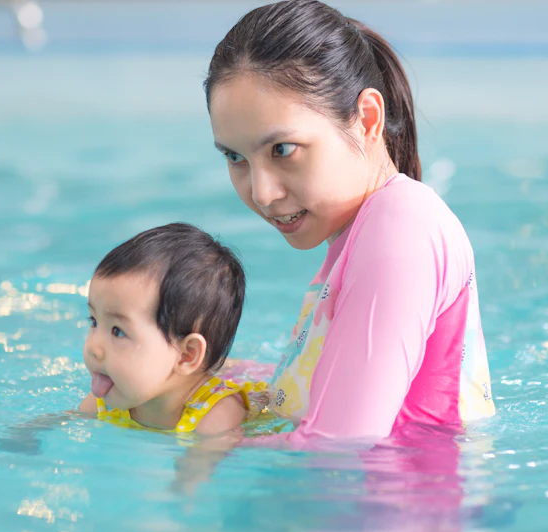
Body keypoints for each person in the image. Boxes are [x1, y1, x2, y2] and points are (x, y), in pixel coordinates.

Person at [204, 0, 495, 444]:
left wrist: (191, 443)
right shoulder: (362, 232)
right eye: (235, 157)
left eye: (283, 149)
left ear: (367, 120)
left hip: (394, 512)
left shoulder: (402, 227)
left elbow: (341, 449)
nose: (261, 193)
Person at [76, 222, 267, 435]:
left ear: (186, 355)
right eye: (93, 321)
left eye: (118, 331)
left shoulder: (217, 417)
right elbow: (57, 426)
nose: (94, 347)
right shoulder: (111, 395)